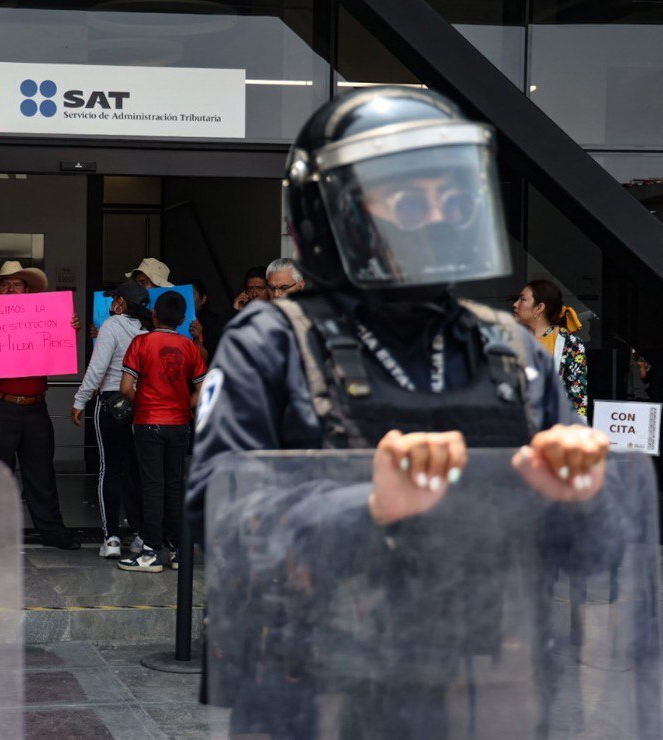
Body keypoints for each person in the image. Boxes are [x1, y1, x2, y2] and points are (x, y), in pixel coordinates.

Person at [188, 86, 618, 737]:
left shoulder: (508, 348)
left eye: (456, 199)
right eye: (412, 201)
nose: (441, 219)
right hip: (318, 689)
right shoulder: (275, 339)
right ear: (331, 215)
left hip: (484, 689)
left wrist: (580, 496)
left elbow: (595, 553)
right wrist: (366, 506)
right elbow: (213, 509)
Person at [0, 260, 83, 550]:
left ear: (27, 290)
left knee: (41, 473)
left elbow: (59, 344)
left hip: (35, 408)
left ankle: (52, 531)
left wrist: (69, 327)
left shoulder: (45, 316)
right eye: (5, 285)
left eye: (16, 284)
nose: (10, 289)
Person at [118, 291, 206, 573]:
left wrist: (144, 404)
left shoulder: (141, 342)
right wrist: (181, 405)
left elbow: (125, 388)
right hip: (180, 423)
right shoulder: (189, 346)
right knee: (175, 485)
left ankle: (152, 552)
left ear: (154, 314)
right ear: (182, 319)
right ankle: (180, 551)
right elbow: (203, 389)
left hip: (148, 422)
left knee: (152, 486)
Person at [72, 281, 151, 558]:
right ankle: (142, 536)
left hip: (111, 402)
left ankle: (112, 538)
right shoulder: (150, 329)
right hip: (142, 404)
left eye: (115, 299)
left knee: (110, 469)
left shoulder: (112, 326)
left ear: (121, 303)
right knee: (140, 471)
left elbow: (97, 368)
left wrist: (80, 401)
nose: (112, 303)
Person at [513, 279, 588, 417]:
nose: (515, 304)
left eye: (522, 300)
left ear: (539, 308)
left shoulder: (569, 343)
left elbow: (577, 397)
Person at [189, 279, 226, 362]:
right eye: (185, 294)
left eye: (192, 294)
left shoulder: (215, 322)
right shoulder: (174, 320)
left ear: (203, 299)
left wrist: (199, 338)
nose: (188, 298)